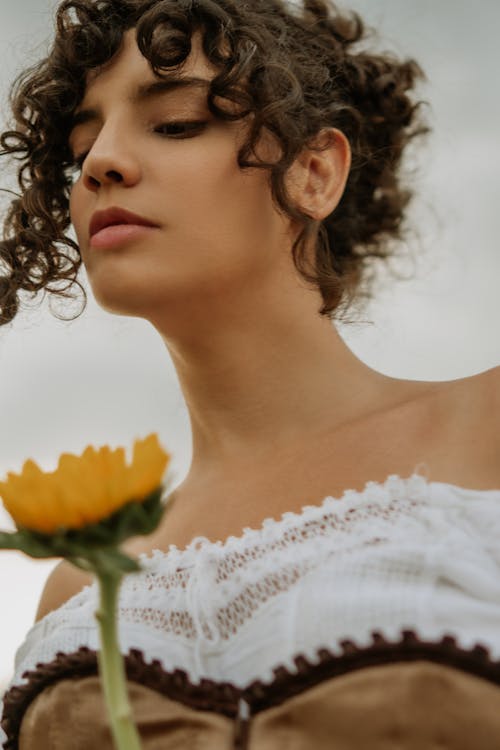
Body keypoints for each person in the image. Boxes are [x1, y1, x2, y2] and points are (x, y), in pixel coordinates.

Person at [1, 0, 500, 747]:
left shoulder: (489, 426)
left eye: (175, 123)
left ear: (313, 171)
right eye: (80, 149)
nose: (102, 162)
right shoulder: (76, 586)